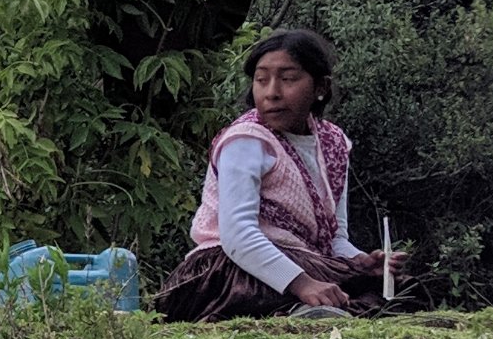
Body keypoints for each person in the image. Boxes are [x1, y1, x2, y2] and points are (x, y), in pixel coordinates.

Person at [155, 28, 392, 321]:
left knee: (397, 287)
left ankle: (309, 310)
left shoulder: (333, 144)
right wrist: (303, 284)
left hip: (305, 262)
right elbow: (238, 235)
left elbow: (334, 238)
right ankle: (299, 310)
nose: (272, 93)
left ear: (320, 87)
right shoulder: (246, 141)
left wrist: (360, 262)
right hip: (233, 266)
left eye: (288, 79)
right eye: (261, 80)